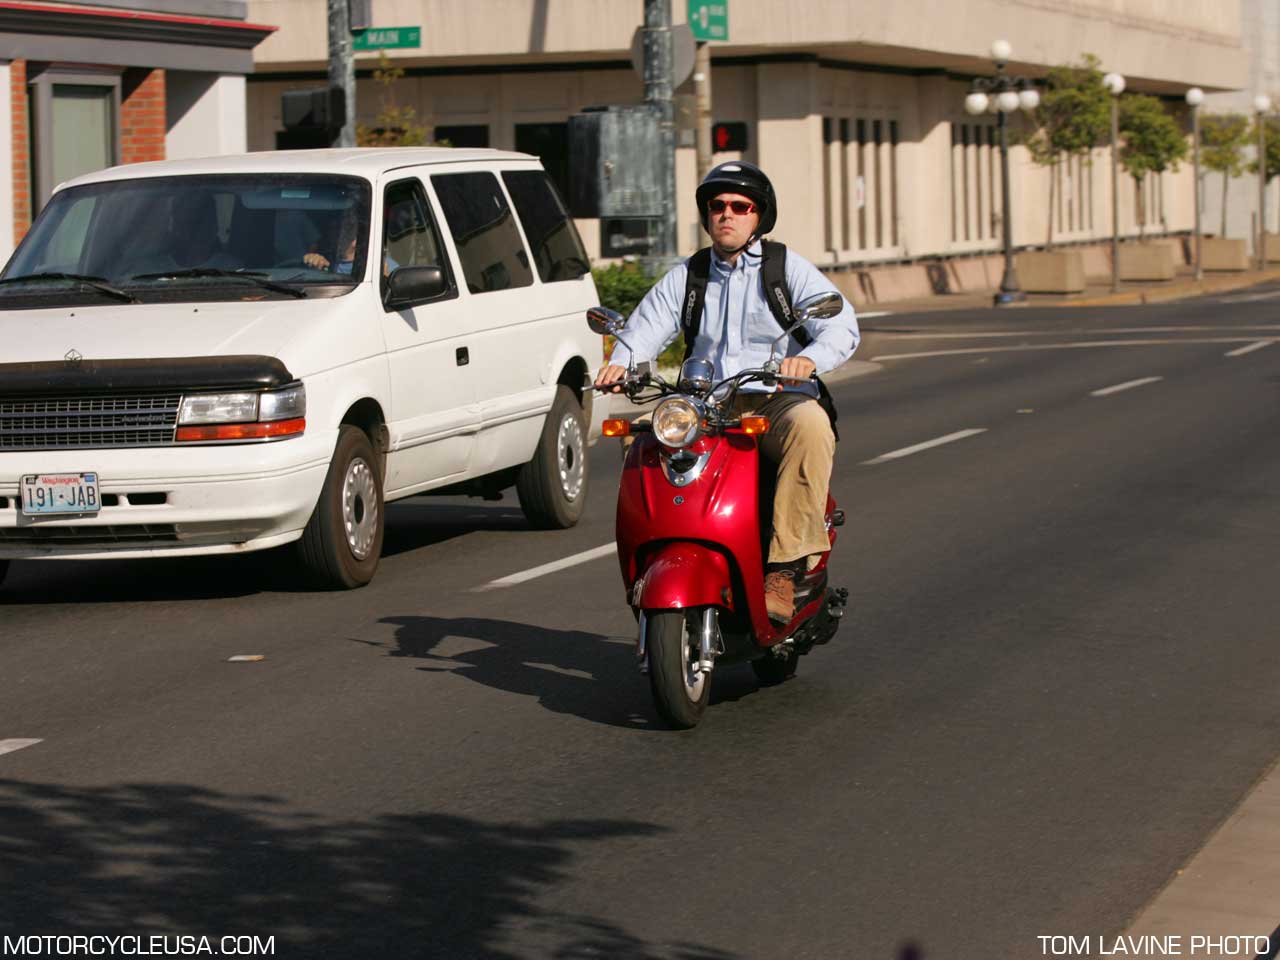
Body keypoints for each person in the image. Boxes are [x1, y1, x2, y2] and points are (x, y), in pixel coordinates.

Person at [594, 161, 860, 624]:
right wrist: (621, 361)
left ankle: (785, 568)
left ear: (759, 216)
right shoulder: (691, 274)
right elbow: (647, 326)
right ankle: (656, 551)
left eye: (741, 206)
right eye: (717, 206)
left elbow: (840, 325)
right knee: (641, 441)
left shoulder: (784, 268)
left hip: (775, 398)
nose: (727, 215)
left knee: (811, 426)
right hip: (705, 402)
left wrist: (811, 358)